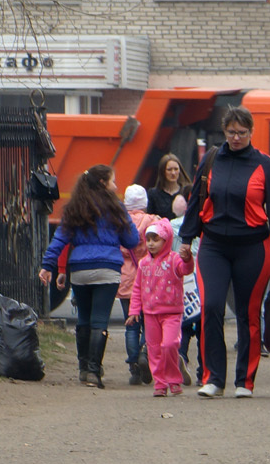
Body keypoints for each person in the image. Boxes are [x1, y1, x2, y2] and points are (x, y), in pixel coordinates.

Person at [178, 107, 270, 398]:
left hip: (254, 247)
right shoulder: (211, 159)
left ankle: (244, 381)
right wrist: (186, 237)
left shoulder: (264, 164)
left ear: (251, 132)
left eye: (242, 133)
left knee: (248, 314)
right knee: (211, 307)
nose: (236, 138)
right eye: (231, 132)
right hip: (213, 245)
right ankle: (213, 378)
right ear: (224, 133)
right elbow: (194, 201)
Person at [40, 164, 142, 389]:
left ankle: (83, 368)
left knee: (83, 320)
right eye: (113, 181)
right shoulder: (116, 207)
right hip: (108, 269)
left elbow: (60, 239)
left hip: (80, 270)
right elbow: (132, 241)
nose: (116, 185)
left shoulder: (75, 207)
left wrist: (48, 265)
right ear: (104, 183)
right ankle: (95, 372)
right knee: (99, 321)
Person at [129, 219, 189, 397]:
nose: (151, 244)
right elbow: (137, 288)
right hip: (150, 314)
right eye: (148, 240)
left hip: (171, 312)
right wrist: (134, 311)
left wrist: (188, 259)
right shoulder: (143, 263)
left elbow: (185, 269)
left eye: (156, 239)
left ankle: (173, 378)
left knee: (169, 345)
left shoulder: (174, 259)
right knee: (154, 349)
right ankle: (160, 383)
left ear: (167, 240)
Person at [117, 185, 164, 386]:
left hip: (126, 278)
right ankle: (146, 352)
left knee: (131, 325)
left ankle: (134, 367)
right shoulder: (153, 222)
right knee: (150, 323)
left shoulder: (119, 223)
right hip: (148, 279)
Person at [150, 152, 192, 221]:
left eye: (176, 169)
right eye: (169, 170)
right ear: (163, 171)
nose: (173, 173)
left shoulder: (187, 191)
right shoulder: (153, 194)